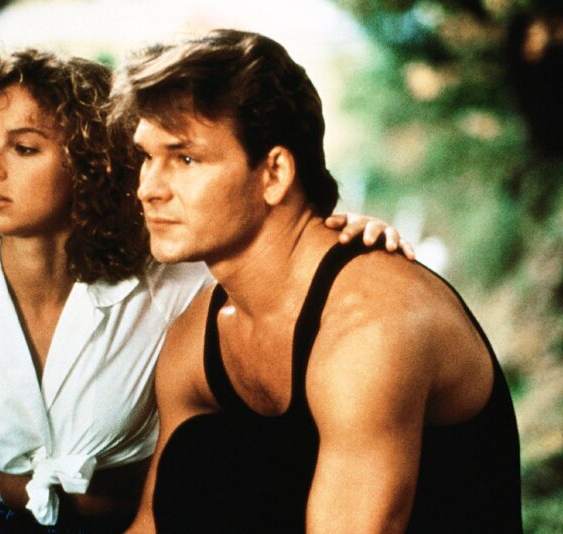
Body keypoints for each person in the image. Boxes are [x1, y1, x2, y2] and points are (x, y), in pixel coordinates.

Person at [0, 47, 410, 534]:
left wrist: (348, 234)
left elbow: (274, 260)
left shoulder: (173, 282)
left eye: (25, 148)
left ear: (90, 165)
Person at [114, 29, 523, 533]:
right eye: (146, 157)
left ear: (274, 173)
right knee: (200, 455)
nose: (148, 189)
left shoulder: (371, 323)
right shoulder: (196, 335)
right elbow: (152, 524)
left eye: (185, 158)